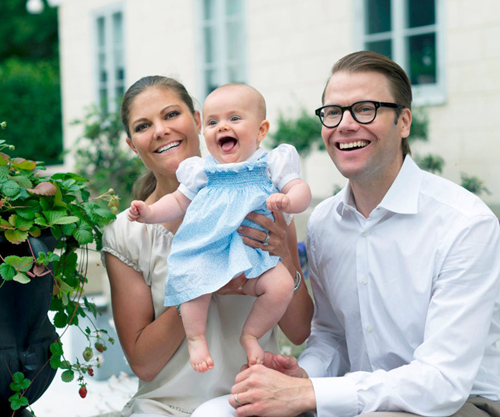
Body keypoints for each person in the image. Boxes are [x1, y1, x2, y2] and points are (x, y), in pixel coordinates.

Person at [204, 50, 500, 416]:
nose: (345, 125)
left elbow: (441, 381)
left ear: (403, 121)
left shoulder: (466, 224)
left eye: (365, 109)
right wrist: (302, 376)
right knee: (215, 413)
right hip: (358, 398)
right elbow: (330, 335)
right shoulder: (325, 221)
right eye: (333, 112)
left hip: (460, 404)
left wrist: (310, 394)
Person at [101, 76, 313, 416]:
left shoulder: (264, 202)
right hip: (166, 408)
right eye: (143, 125)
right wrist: (203, 282)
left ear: (197, 121)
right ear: (132, 144)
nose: (160, 130)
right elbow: (143, 363)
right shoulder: (127, 233)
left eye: (171, 115)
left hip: (252, 401)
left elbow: (299, 331)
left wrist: (285, 257)